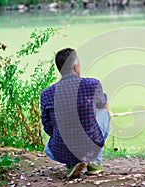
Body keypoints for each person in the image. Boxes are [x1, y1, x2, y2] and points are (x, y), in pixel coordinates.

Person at [40, 48, 110, 178]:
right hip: (90, 145)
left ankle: (73, 163)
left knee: (48, 149)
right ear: (76, 66)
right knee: (104, 112)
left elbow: (48, 128)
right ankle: (94, 163)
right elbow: (103, 104)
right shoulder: (92, 84)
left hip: (60, 151)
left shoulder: (46, 94)